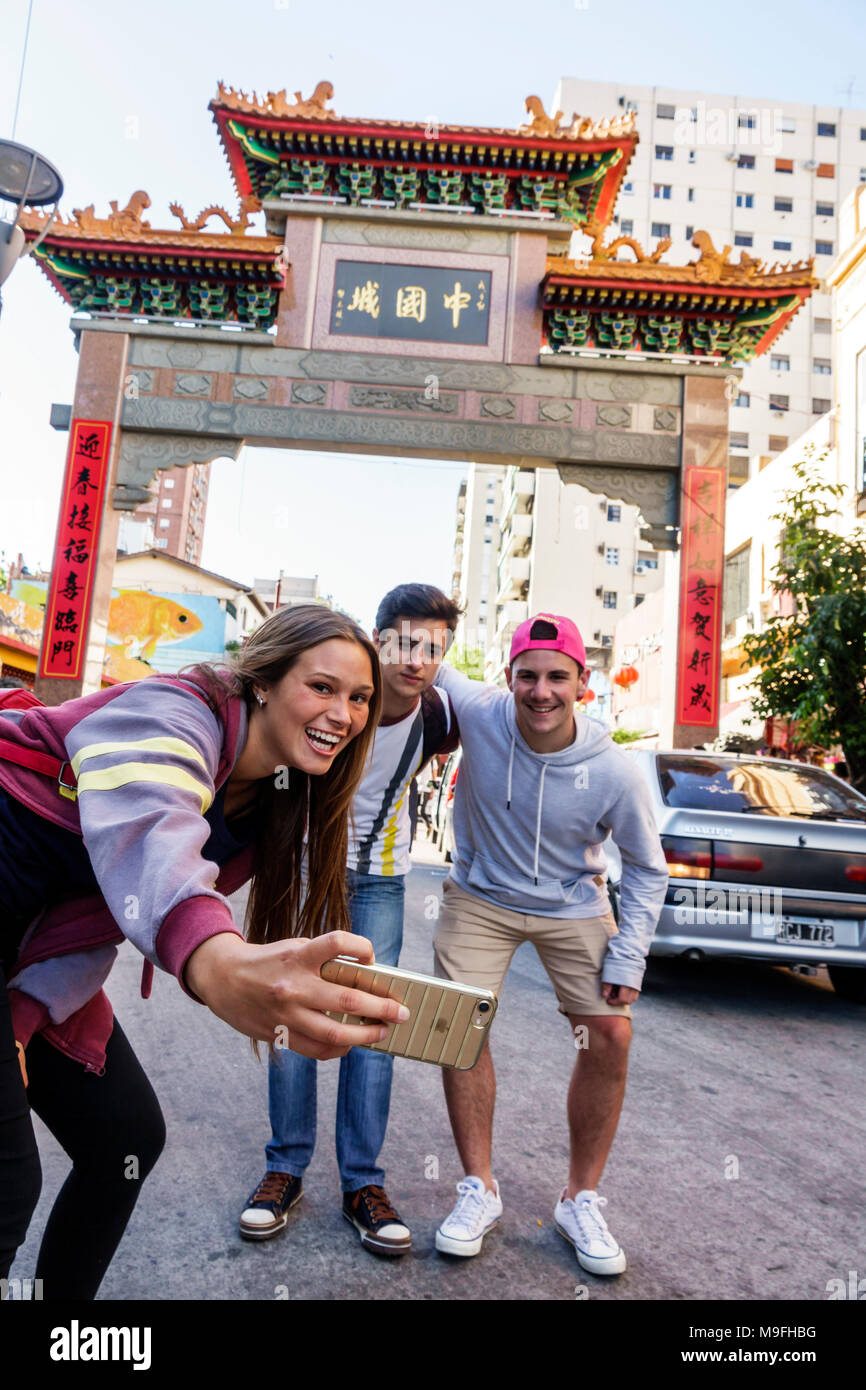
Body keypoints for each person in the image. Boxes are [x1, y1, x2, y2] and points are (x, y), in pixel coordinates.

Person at [0, 604, 410, 1299]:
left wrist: (22, 1017)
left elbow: (94, 916)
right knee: (8, 1180)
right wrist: (218, 963)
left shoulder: (269, 803)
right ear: (262, 683)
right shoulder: (175, 709)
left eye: (360, 697)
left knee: (124, 1141)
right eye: (322, 687)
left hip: (32, 962)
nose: (343, 713)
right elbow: (149, 834)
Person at [429, 613, 668, 1275]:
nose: (541, 691)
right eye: (527, 676)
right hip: (480, 896)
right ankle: (480, 1188)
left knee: (611, 1034)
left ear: (581, 683)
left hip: (572, 903)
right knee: (455, 1024)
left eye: (556, 676)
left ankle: (580, 1198)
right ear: (507, 680)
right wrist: (393, 640)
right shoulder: (479, 711)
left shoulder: (614, 770)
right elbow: (425, 657)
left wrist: (630, 953)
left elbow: (647, 867)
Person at [239, 584, 460, 1256]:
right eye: (402, 641)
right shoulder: (332, 697)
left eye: (433, 647)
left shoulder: (438, 720)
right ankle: (286, 1168)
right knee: (291, 1014)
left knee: (374, 1028)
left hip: (381, 881)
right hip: (303, 870)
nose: (415, 659)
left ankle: (363, 1182)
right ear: (378, 638)